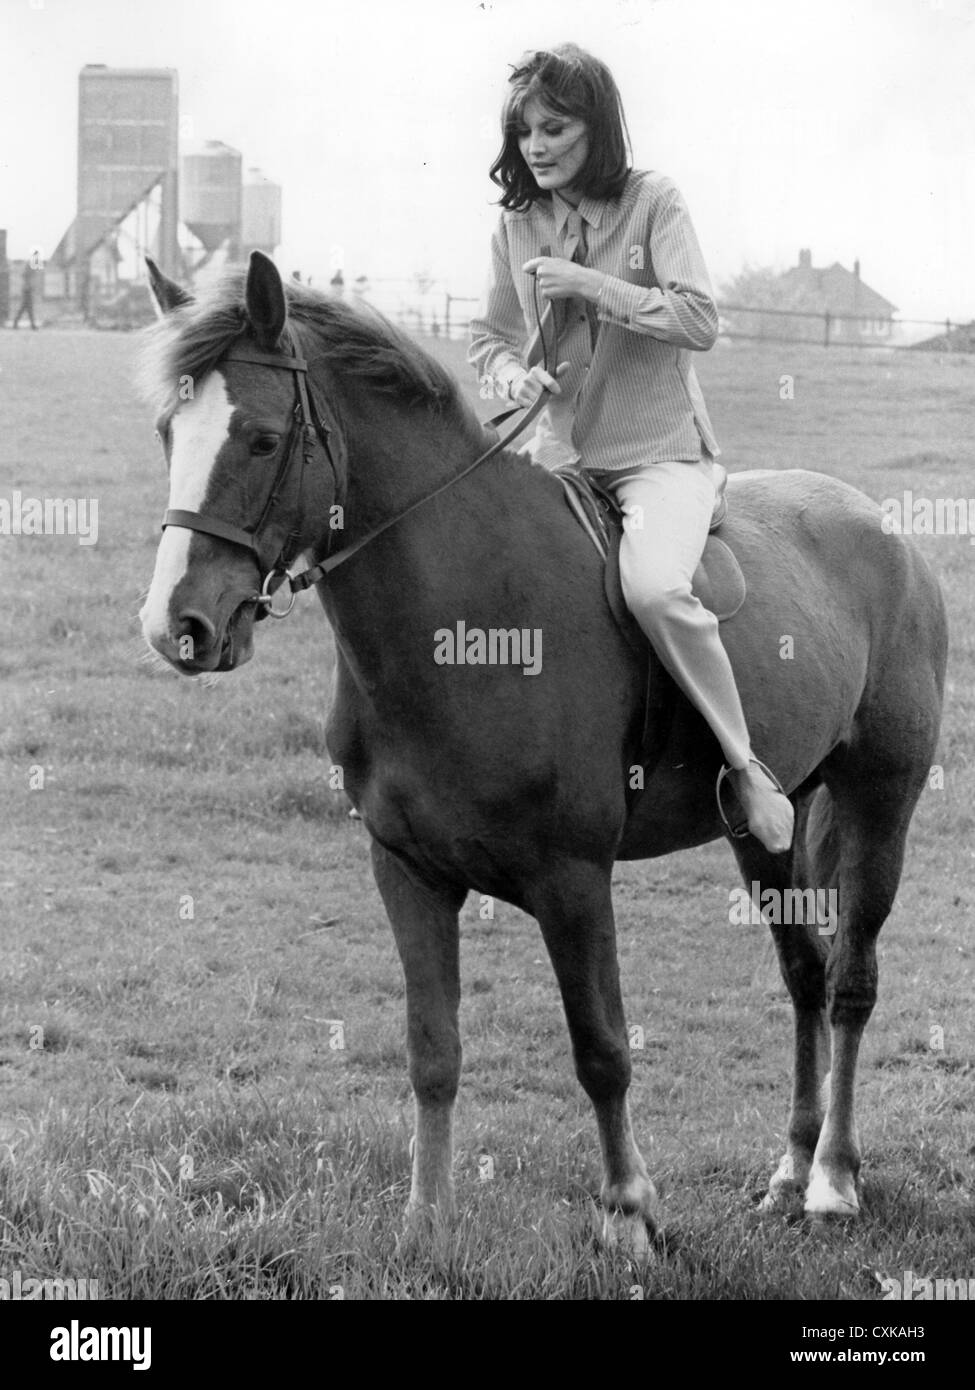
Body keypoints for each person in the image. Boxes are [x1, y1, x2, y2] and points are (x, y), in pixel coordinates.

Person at [468, 44, 793, 853]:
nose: (536, 147)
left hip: (659, 457)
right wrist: (513, 379)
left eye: (555, 128)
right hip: (556, 457)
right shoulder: (516, 223)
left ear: (597, 127)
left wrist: (592, 289)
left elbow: (699, 321)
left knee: (651, 588)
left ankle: (746, 769)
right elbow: (490, 338)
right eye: (525, 131)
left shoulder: (655, 202)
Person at [12, 259, 38, 329]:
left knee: (25, 308)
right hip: (27, 290)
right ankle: (32, 325)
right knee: (27, 308)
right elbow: (27, 277)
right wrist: (30, 286)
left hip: (27, 290)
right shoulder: (29, 267)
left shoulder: (30, 267)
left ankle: (31, 324)